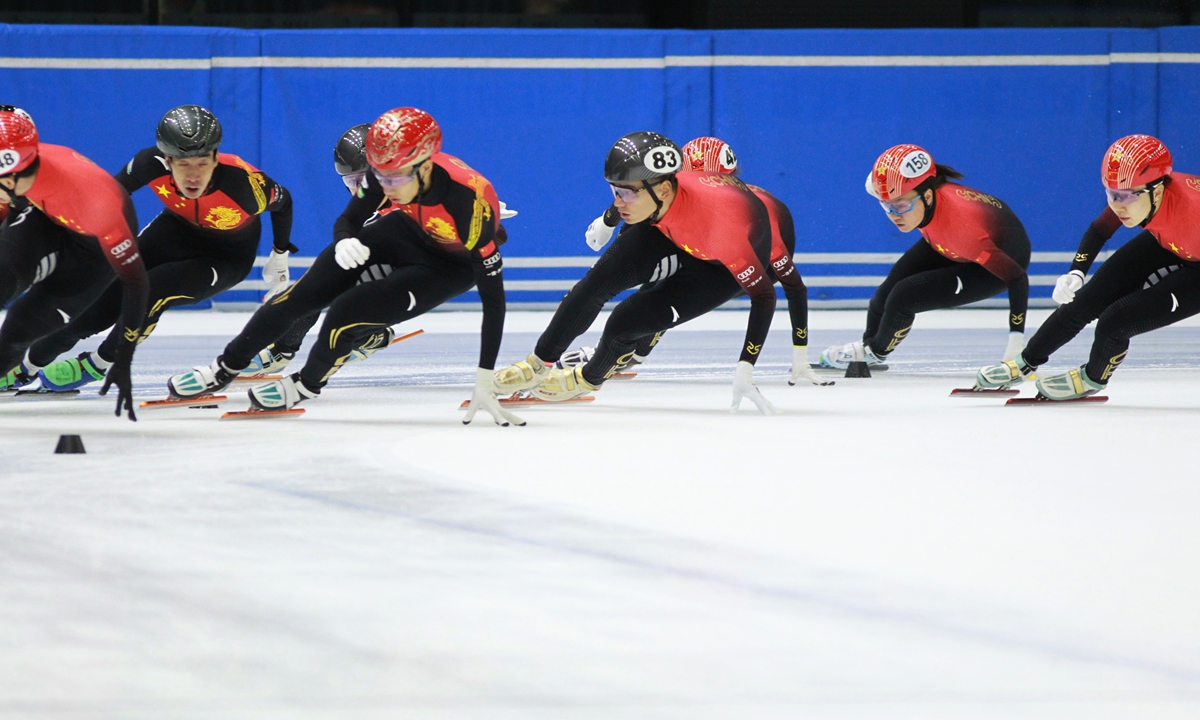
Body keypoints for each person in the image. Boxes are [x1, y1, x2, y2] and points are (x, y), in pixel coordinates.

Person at [165, 107, 521, 426]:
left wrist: (484, 376)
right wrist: (345, 239)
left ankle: (306, 385)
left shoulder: (469, 204)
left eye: (394, 179)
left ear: (424, 165)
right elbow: (349, 219)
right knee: (302, 295)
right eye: (377, 177)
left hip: (448, 265)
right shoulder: (387, 168)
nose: (384, 189)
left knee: (347, 311)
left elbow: (494, 300)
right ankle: (224, 368)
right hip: (407, 231)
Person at [492, 131, 786, 413]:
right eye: (614, 192)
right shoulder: (657, 191)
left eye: (624, 195)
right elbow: (635, 189)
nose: (619, 201)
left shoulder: (725, 228)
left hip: (718, 267)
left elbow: (764, 296)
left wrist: (746, 368)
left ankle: (594, 374)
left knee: (628, 320)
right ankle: (543, 362)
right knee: (597, 283)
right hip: (674, 230)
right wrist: (540, 361)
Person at [23, 105, 295, 394]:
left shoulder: (244, 185)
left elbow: (284, 202)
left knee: (154, 288)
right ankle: (27, 363)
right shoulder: (147, 164)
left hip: (225, 257)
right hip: (175, 232)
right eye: (182, 164)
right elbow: (105, 196)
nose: (193, 176)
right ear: (166, 160)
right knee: (106, 292)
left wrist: (280, 254)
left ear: (215, 157)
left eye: (202, 163)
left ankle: (101, 362)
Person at [558, 136, 827, 387]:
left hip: (741, 262)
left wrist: (799, 353)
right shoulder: (676, 194)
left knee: (667, 286)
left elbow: (792, 287)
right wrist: (608, 221)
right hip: (703, 242)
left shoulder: (752, 216)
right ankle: (623, 342)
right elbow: (639, 195)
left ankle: (630, 349)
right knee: (648, 234)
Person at [976, 134, 1199, 399]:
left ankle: (1092, 378)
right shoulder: (1138, 193)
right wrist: (1076, 272)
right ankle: (1025, 362)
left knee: (1114, 322)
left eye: (1126, 197)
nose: (1117, 206)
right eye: (1111, 194)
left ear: (1158, 190)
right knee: (1083, 301)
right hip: (1171, 243)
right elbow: (1099, 230)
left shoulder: (1192, 211)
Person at [818, 144, 1030, 370]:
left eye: (900, 205)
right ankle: (869, 346)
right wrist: (899, 204)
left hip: (994, 262)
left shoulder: (962, 230)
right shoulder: (901, 190)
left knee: (904, 295)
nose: (893, 215)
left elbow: (1017, 278)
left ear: (928, 196)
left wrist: (1015, 346)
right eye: (885, 206)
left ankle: (875, 351)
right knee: (887, 290)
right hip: (946, 237)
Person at [0, 109, 148, 419]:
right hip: (45, 216)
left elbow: (136, 284)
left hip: (93, 254)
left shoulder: (99, 205)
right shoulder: (18, 173)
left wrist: (120, 357)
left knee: (19, 327)